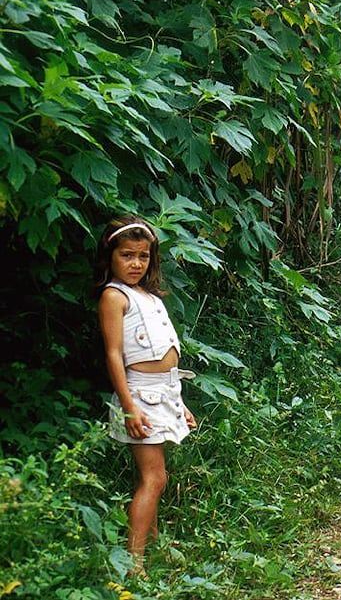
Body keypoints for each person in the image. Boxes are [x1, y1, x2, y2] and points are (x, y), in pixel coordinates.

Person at [95, 215, 197, 574]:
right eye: (127, 255)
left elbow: (166, 358)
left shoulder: (149, 296)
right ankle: (134, 562)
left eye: (143, 256)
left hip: (164, 392)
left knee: (156, 477)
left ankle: (152, 545)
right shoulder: (114, 296)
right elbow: (113, 354)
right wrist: (128, 408)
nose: (136, 263)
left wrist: (180, 404)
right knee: (154, 477)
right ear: (110, 257)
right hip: (139, 397)